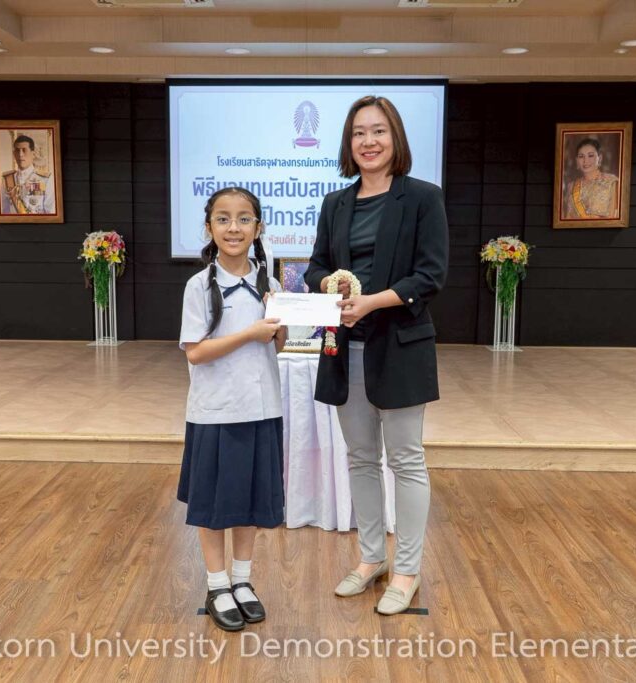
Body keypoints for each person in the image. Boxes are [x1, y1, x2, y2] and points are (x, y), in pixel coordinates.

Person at [304, 95, 448, 615]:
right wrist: (331, 285)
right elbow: (316, 266)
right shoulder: (335, 203)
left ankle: (406, 569)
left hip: (401, 347)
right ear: (349, 143)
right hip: (346, 349)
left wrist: (371, 302)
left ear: (395, 138)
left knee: (406, 461)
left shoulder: (423, 198)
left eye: (379, 131)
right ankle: (371, 559)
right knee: (361, 459)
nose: (369, 141)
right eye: (359, 133)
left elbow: (430, 275)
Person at [178, 186, 288, 632]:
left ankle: (242, 581)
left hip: (261, 409)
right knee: (213, 504)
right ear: (209, 228)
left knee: (249, 501)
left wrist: (279, 326)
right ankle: (217, 584)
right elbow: (195, 352)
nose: (234, 228)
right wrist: (249, 333)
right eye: (223, 219)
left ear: (258, 228)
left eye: (244, 219)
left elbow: (278, 345)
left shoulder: (271, 284)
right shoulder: (199, 286)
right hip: (216, 413)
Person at [564, 138, 619, 219]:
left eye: (590, 155)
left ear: (600, 158)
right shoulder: (571, 187)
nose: (586, 161)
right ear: (577, 160)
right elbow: (568, 218)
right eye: (581, 156)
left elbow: (614, 217)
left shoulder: (611, 182)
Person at [1, 134, 56, 215]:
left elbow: (51, 212)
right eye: (17, 150)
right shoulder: (7, 179)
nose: (20, 154)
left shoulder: (46, 179)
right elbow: (4, 211)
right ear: (14, 154)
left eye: (24, 150)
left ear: (33, 154)